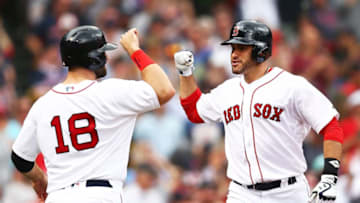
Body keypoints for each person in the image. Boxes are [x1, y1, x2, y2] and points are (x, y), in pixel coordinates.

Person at [174, 20, 343, 203]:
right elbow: (194, 111)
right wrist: (185, 73)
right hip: (242, 193)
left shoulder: (292, 86)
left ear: (261, 51)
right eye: (233, 48)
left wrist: (329, 177)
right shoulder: (227, 90)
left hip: (287, 192)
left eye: (242, 48)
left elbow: (331, 125)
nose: (234, 55)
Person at [11, 25, 175, 203]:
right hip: (100, 195)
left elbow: (20, 158)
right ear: (94, 58)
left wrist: (39, 179)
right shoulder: (111, 92)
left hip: (58, 196)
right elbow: (164, 89)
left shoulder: (43, 104)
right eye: (103, 52)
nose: (106, 57)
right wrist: (135, 50)